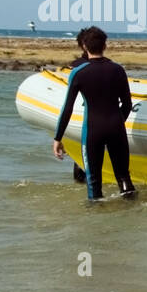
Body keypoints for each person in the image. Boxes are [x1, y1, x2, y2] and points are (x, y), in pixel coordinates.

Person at [52, 26, 137, 201]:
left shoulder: (78, 73)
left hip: (93, 130)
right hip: (116, 128)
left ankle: (96, 222)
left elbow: (67, 108)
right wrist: (117, 123)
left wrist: (58, 138)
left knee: (94, 182)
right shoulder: (118, 70)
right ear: (104, 45)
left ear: (84, 46)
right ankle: (132, 217)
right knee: (123, 177)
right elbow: (127, 104)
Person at [66, 30, 89, 184]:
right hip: (110, 124)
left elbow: (67, 104)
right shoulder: (113, 67)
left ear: (82, 46)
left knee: (82, 171)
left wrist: (58, 137)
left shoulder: (75, 68)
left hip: (84, 123)